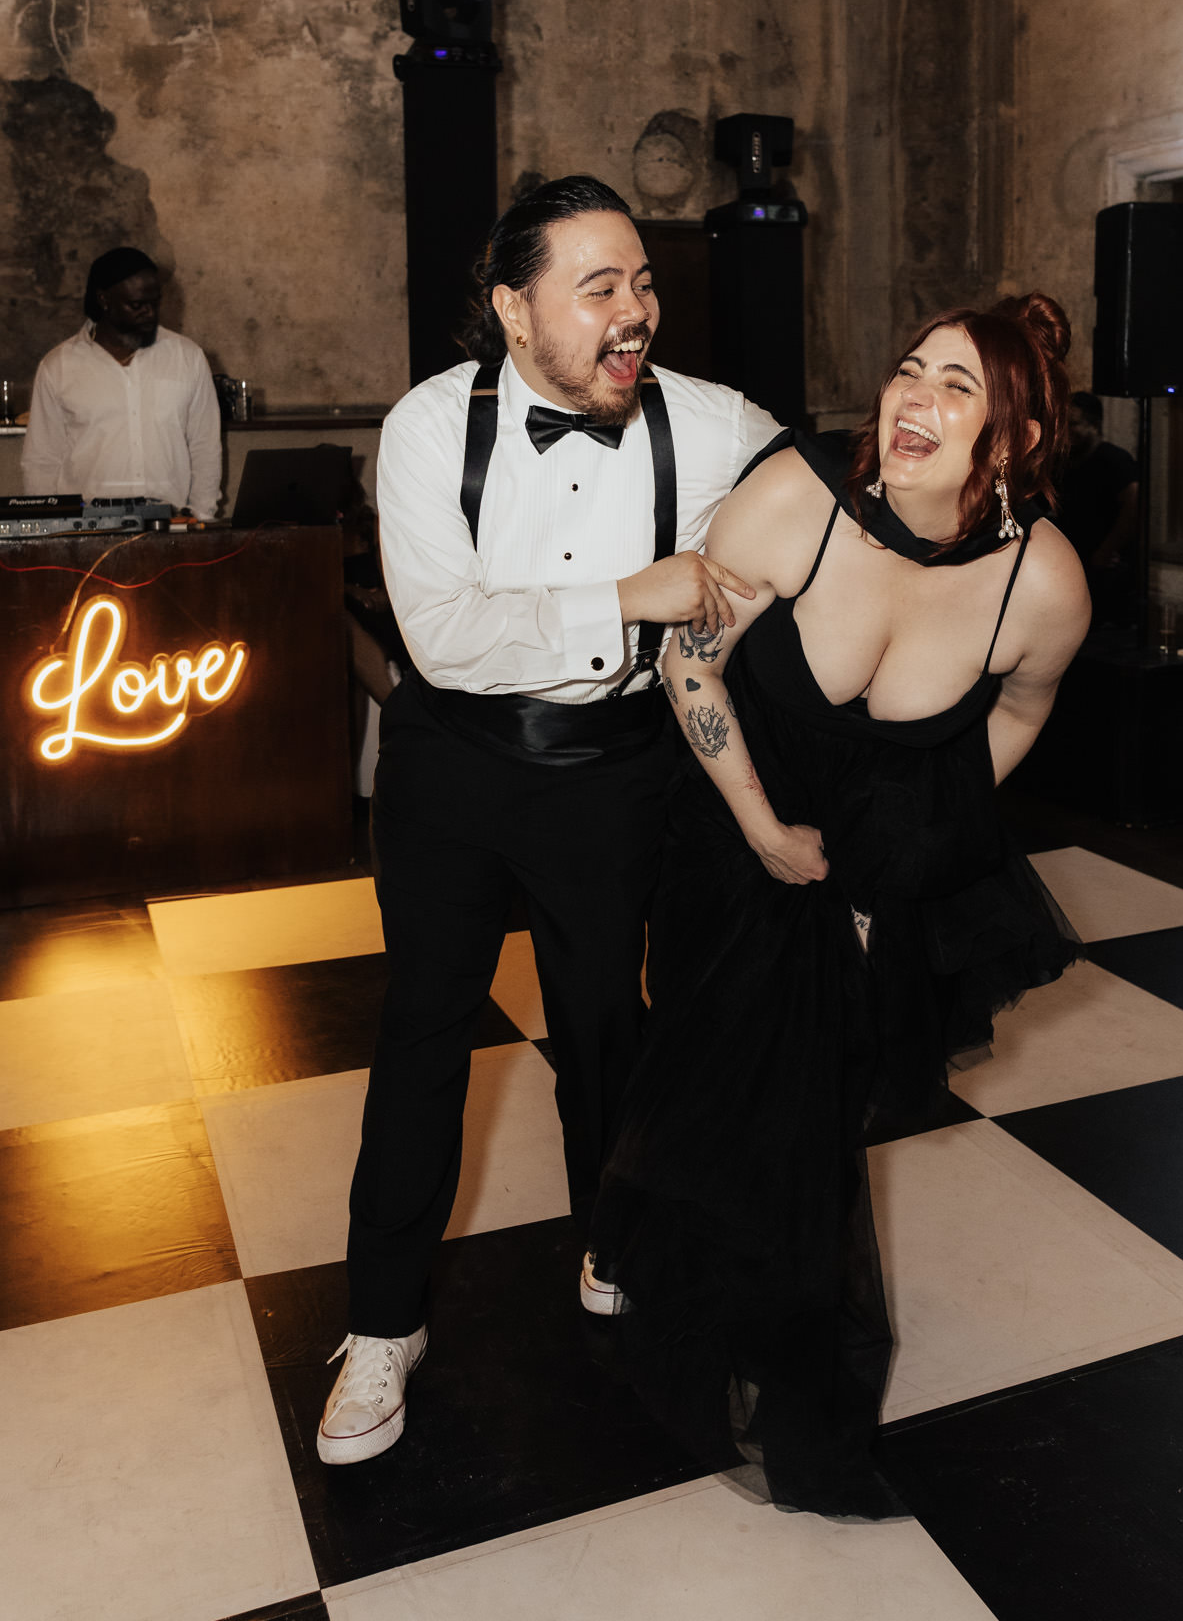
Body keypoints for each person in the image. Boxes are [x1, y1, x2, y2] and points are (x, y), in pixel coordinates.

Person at [586, 292, 1092, 1520]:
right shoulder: (796, 496)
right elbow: (690, 660)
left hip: (875, 857)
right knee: (716, 1065)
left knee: (818, 1097)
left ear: (1017, 439)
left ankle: (772, 1318)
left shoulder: (1042, 580)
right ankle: (664, 1252)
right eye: (911, 367)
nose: (913, 396)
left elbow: (1023, 708)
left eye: (958, 386)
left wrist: (925, 834)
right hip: (733, 814)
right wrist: (765, 828)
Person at [318, 174, 780, 1465]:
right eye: (599, 287)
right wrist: (638, 593)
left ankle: (616, 1248)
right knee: (425, 1032)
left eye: (644, 282)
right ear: (514, 311)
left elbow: (831, 514)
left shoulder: (713, 423)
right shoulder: (428, 428)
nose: (636, 311)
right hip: (452, 766)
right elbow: (448, 640)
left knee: (605, 1030)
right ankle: (382, 1323)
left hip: (614, 769)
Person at [21, 247, 222, 520]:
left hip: (170, 525)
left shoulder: (187, 357)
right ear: (104, 300)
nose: (150, 313)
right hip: (86, 528)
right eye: (137, 305)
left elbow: (205, 446)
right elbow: (42, 460)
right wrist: (49, 526)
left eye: (155, 303)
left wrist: (200, 515)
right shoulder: (58, 366)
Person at [1054, 390, 1139, 628]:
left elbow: (1133, 505)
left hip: (1103, 569)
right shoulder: (1061, 463)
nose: (1067, 432)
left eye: (1074, 424)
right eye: (1064, 425)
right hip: (1071, 566)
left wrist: (1107, 549)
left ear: (1094, 425)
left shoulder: (1115, 459)